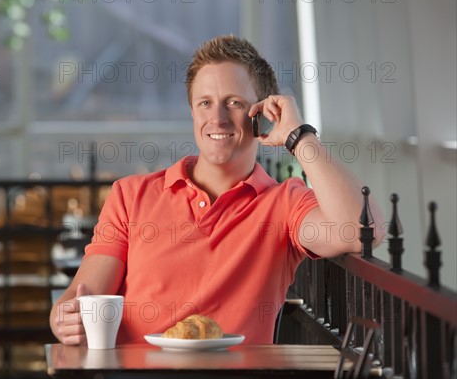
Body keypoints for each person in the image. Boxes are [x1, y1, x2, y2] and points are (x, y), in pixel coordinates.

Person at [50, 35, 384, 345]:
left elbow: (362, 231)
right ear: (192, 112)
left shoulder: (283, 205)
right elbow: (81, 297)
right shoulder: (130, 195)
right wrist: (63, 318)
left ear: (264, 113)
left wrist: (299, 136)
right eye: (205, 103)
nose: (218, 118)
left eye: (234, 102)